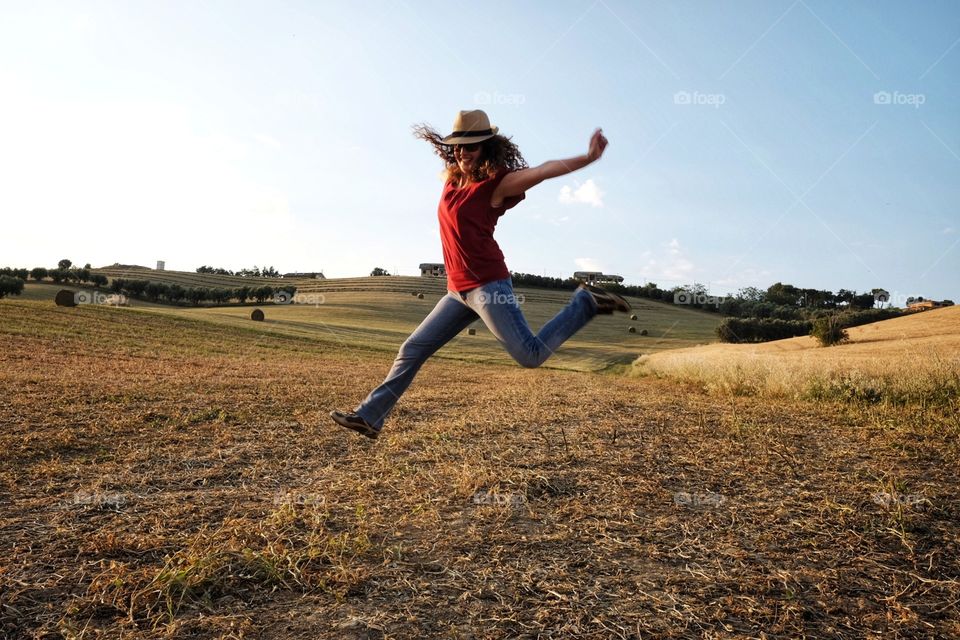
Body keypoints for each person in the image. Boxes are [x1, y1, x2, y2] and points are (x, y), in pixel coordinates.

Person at [331, 109, 630, 439]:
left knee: (530, 356)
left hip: (489, 287)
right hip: (456, 292)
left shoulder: (497, 185)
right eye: (458, 146)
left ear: (486, 149)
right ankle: (370, 416)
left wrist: (588, 158)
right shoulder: (451, 179)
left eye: (470, 147)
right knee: (413, 348)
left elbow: (544, 171)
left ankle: (586, 302)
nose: (462, 152)